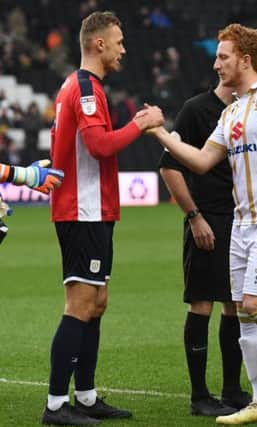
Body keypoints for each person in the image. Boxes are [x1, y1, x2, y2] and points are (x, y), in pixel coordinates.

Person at [148, 23, 257, 425]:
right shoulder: (232, 111)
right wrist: (158, 131)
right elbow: (202, 161)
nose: (216, 63)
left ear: (246, 59)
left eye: (223, 56)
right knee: (244, 312)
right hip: (242, 225)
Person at [43, 11, 164, 426]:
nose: (123, 48)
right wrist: (141, 123)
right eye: (119, 40)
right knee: (80, 303)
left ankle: (86, 395)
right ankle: (57, 405)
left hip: (91, 208)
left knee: (96, 303)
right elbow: (98, 145)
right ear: (98, 44)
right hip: (83, 210)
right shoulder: (84, 88)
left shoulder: (77, 87)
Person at [158, 77, 251, 416]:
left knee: (235, 305)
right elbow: (169, 167)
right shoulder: (196, 110)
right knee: (202, 304)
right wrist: (194, 216)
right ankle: (199, 396)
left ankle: (231, 390)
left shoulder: (251, 112)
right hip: (208, 219)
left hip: (243, 221)